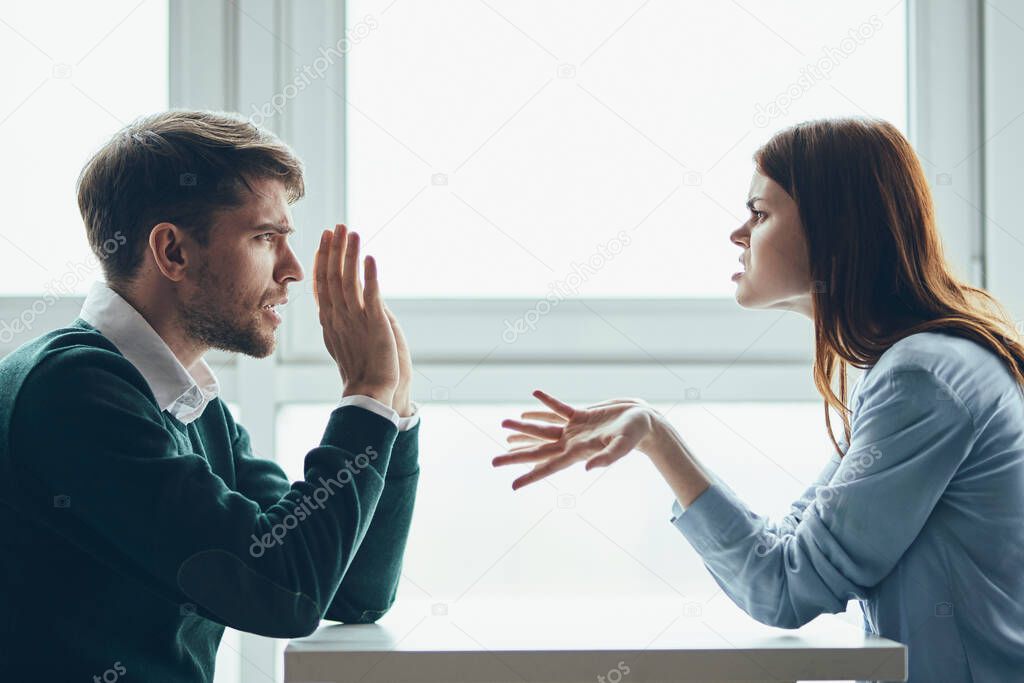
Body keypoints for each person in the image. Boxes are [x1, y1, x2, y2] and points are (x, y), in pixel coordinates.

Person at [494, 118, 1024, 682]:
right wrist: (651, 429)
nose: (738, 234)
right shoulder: (920, 368)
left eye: (760, 213)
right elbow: (787, 555)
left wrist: (660, 442)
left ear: (835, 229)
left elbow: (783, 589)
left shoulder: (919, 380)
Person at [0, 110, 420, 681]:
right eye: (265, 237)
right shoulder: (74, 392)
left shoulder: (188, 402)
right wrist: (365, 395)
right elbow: (285, 590)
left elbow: (350, 592)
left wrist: (390, 409)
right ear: (172, 252)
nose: (292, 270)